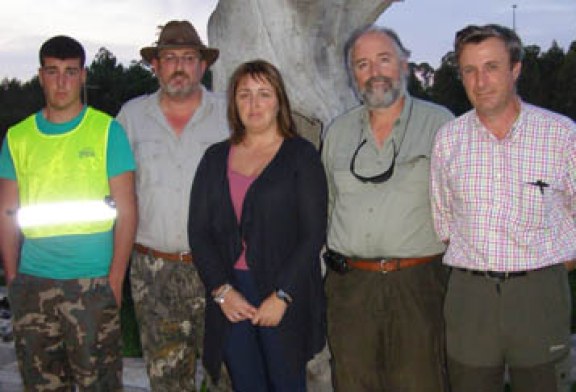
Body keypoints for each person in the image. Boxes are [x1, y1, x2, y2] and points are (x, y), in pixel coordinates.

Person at [430, 24, 576, 392]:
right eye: (469, 70)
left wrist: (550, 265)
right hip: (470, 298)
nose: (480, 81)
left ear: (515, 69)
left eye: (492, 67)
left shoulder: (561, 135)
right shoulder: (448, 140)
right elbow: (443, 219)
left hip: (539, 292)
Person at [321, 25, 454, 391]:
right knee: (352, 381)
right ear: (352, 75)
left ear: (404, 64)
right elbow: (330, 203)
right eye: (362, 64)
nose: (374, 72)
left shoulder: (441, 124)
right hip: (351, 286)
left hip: (419, 284)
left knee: (422, 381)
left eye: (384, 59)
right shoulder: (337, 132)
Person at [0, 35, 136, 391]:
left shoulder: (107, 132)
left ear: (83, 75)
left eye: (70, 72)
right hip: (33, 285)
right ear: (40, 76)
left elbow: (128, 211)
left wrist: (115, 281)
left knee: (100, 385)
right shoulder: (18, 137)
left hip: (92, 286)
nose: (61, 81)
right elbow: (6, 211)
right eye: (53, 71)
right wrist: (14, 279)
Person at [188, 59, 327, 392]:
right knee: (246, 384)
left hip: (281, 293)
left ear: (279, 100)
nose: (254, 104)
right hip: (232, 295)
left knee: (286, 384)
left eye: (263, 94)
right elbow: (199, 232)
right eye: (244, 95)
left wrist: (282, 295)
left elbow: (313, 235)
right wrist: (221, 291)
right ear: (233, 103)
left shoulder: (301, 156)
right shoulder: (214, 158)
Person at [116, 20, 230, 391]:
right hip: (153, 271)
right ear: (155, 65)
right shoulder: (130, 118)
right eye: (169, 58)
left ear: (203, 65)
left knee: (228, 375)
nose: (179, 66)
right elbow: (115, 193)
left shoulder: (231, 115)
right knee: (166, 379)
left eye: (188, 57)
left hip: (220, 269)